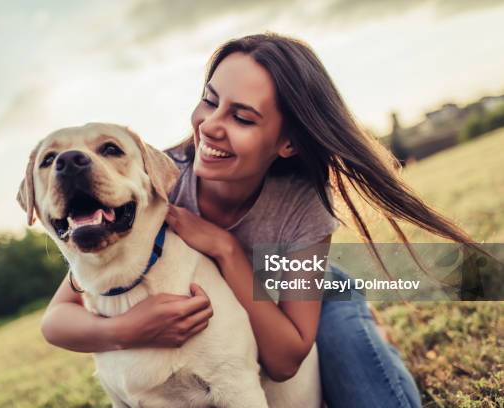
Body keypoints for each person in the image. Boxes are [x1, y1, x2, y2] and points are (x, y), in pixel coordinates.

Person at [41, 33, 476, 407]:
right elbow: (58, 316)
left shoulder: (302, 204)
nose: (210, 125)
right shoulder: (155, 182)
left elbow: (284, 361)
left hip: (306, 296)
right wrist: (128, 328)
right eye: (209, 101)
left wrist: (226, 249)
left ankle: (371, 337)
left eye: (242, 117)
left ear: (286, 142)